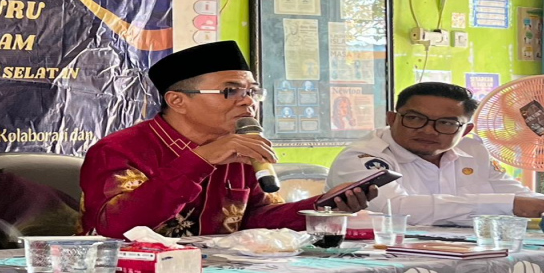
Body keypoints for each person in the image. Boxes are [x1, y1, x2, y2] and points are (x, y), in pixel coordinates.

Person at [80, 41, 374, 237]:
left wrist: (323, 207)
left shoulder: (241, 148)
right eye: (231, 91)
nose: (248, 102)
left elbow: (258, 219)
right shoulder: (120, 150)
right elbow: (117, 228)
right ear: (178, 101)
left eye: (252, 92)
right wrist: (200, 160)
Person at [326, 82, 544, 226]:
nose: (428, 130)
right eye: (414, 118)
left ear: (466, 130)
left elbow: (511, 191)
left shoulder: (473, 150)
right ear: (392, 119)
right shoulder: (363, 157)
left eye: (446, 123)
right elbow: (396, 208)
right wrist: (510, 204)